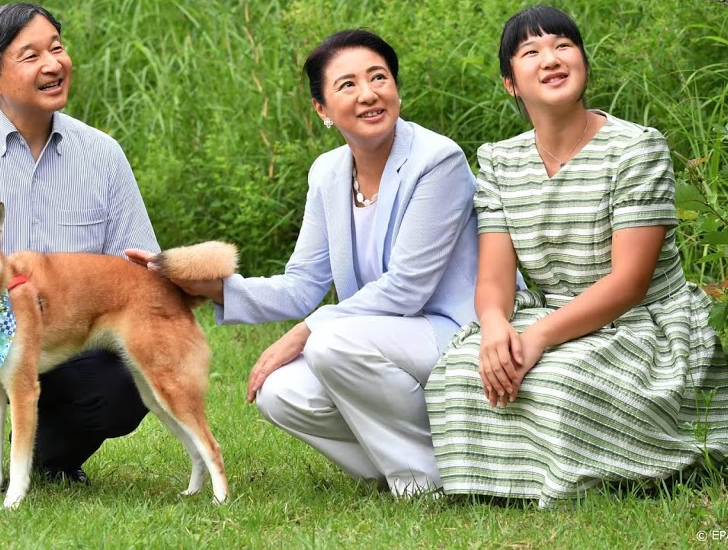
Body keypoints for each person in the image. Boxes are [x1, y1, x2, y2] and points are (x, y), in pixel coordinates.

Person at [128, 29, 523, 496]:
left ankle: (421, 482)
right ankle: (417, 466)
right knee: (280, 392)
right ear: (322, 109)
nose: (368, 94)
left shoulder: (438, 161)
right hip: (379, 340)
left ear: (396, 88)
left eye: (379, 77)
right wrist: (209, 287)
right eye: (347, 85)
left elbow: (408, 287)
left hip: (456, 330)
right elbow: (302, 283)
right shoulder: (328, 173)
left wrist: (307, 330)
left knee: (329, 343)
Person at [425, 5, 728, 507]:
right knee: (460, 371)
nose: (551, 59)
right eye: (531, 52)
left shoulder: (636, 149)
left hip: (642, 324)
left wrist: (537, 338)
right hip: (553, 312)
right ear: (510, 83)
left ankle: (630, 465)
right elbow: (495, 279)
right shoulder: (500, 161)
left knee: (559, 383)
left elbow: (630, 283)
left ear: (584, 65)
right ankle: (513, 483)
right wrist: (495, 326)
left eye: (563, 46)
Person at [0, 1, 159, 488]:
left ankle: (49, 458)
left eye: (57, 48)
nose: (53, 64)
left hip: (70, 326)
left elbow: (137, 264)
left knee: (123, 384)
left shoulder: (103, 155)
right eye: (31, 56)